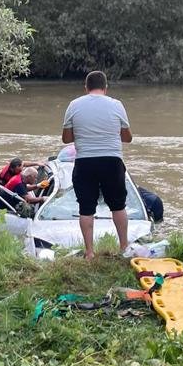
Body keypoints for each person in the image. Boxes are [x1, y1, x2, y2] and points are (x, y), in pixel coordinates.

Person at [61, 70, 132, 259]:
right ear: (105, 88)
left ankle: (90, 252)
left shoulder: (74, 105)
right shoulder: (117, 105)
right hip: (112, 161)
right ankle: (124, 248)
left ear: (86, 87)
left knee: (86, 208)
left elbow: (66, 138)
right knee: (118, 206)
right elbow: (127, 138)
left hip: (85, 162)